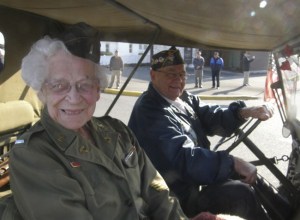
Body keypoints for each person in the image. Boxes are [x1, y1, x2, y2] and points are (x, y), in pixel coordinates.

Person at [5, 37, 219, 220]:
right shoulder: (32, 155)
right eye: (58, 85)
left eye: (85, 84)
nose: (73, 97)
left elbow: (158, 191)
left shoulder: (116, 130)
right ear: (41, 91)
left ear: (98, 90)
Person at [128, 46, 291, 220]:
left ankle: (288, 214)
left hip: (192, 183)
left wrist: (246, 111)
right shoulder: (149, 110)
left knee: (250, 175)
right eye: (171, 73)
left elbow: (212, 116)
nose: (179, 80)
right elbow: (182, 158)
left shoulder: (182, 98)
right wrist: (231, 163)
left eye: (182, 74)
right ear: (153, 75)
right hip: (172, 199)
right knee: (240, 193)